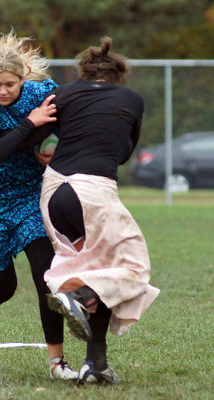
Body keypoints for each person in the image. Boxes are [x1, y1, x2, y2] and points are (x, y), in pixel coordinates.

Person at [0, 26, 77, 380]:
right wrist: (31, 126)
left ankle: (57, 363)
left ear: (23, 78)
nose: (3, 91)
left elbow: (2, 143)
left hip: (27, 194)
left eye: (10, 84)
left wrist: (45, 140)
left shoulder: (43, 92)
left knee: (45, 275)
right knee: (5, 286)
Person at [36, 36, 161, 385]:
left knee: (101, 270)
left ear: (83, 72)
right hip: (91, 191)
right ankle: (80, 295)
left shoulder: (61, 95)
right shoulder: (131, 99)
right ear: (118, 76)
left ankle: (96, 364)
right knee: (134, 268)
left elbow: (40, 136)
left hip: (52, 193)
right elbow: (123, 153)